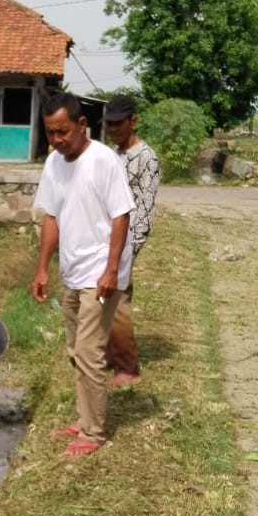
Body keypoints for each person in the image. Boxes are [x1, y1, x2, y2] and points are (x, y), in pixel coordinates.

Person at [31, 90, 133, 457]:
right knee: (76, 350)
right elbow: (51, 216)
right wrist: (43, 268)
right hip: (71, 271)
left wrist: (111, 270)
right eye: (50, 133)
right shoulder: (54, 164)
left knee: (90, 352)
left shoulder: (104, 161)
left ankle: (94, 433)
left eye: (63, 132)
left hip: (99, 275)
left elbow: (121, 214)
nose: (57, 140)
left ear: (81, 124)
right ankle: (84, 418)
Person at [103, 92, 161, 386]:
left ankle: (127, 368)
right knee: (106, 299)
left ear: (133, 121)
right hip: (107, 240)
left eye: (118, 124)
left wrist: (129, 250)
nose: (113, 130)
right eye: (109, 124)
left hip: (125, 243)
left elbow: (145, 210)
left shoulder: (146, 158)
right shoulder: (112, 154)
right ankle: (110, 357)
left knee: (119, 301)